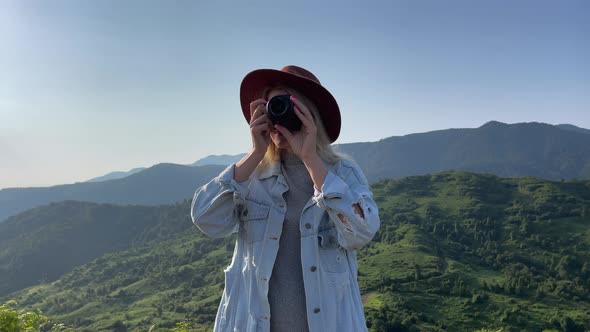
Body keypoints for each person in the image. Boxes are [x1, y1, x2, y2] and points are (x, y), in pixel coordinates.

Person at [190, 65, 381, 332]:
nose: (277, 116)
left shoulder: (342, 173)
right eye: (270, 107)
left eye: (287, 106)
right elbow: (205, 219)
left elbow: (362, 232)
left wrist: (311, 159)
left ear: (309, 115)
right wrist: (256, 153)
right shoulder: (252, 176)